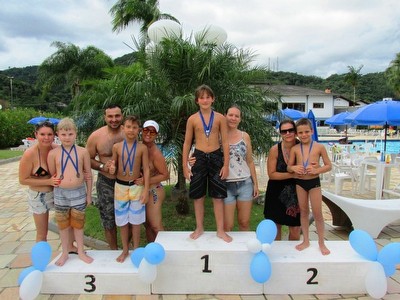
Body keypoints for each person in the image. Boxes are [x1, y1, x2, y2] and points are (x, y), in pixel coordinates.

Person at [182, 84, 232, 242]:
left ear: (213, 99)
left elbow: (225, 142)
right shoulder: (192, 119)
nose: (205, 100)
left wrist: (225, 164)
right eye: (201, 97)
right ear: (197, 100)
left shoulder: (219, 118)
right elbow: (187, 143)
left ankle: (220, 230)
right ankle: (199, 227)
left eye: (207, 97)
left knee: (218, 197)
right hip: (199, 158)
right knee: (198, 196)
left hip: (217, 157)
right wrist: (185, 165)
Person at [19, 121, 77, 253]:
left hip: (58, 193)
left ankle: (70, 247)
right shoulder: (30, 154)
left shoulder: (57, 149)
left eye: (49, 134)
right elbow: (23, 179)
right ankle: (41, 258)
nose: (46, 138)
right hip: (39, 196)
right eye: (42, 134)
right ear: (36, 135)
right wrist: (48, 181)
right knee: (42, 233)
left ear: (54, 135)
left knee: (68, 224)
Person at [47, 118, 93, 266]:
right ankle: (65, 252)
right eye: (64, 134)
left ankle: (80, 251)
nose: (67, 138)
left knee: (78, 224)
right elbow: (53, 174)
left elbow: (88, 174)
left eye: (70, 134)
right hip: (60, 193)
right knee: (63, 225)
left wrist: (88, 194)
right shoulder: (53, 154)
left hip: (79, 192)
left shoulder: (83, 151)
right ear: (58, 135)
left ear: (76, 134)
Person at [287, 118, 332, 255]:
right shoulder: (295, 149)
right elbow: (289, 167)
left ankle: (321, 243)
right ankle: (306, 240)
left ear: (312, 131)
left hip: (314, 183)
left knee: (317, 213)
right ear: (297, 134)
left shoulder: (319, 147)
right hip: (300, 183)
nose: (304, 135)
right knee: (304, 211)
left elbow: (328, 165)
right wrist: (294, 167)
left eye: (306, 131)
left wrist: (317, 170)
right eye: (300, 132)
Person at [109, 115, 150, 262]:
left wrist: (145, 189)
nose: (131, 130)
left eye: (134, 127)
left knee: (136, 220)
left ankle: (136, 249)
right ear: (122, 128)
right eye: (128, 127)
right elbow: (113, 166)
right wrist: (112, 168)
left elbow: (146, 169)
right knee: (122, 221)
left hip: (136, 187)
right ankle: (125, 249)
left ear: (138, 130)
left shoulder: (142, 148)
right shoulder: (117, 147)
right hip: (120, 187)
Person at [86, 104, 124, 250]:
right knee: (108, 219)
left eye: (117, 116)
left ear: (122, 116)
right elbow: (88, 159)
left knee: (129, 217)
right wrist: (102, 166)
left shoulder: (129, 133)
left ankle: (128, 248)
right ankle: (113, 250)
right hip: (106, 182)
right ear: (105, 117)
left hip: (127, 182)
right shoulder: (96, 137)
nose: (114, 119)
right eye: (110, 116)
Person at [223, 105, 259, 231]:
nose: (233, 118)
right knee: (227, 225)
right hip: (225, 185)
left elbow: (249, 161)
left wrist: (255, 184)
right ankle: (228, 250)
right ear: (225, 116)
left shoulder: (245, 136)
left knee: (244, 222)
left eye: (236, 116)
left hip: (245, 183)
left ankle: (244, 250)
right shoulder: (217, 136)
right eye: (230, 115)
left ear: (240, 119)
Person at [264, 119, 301, 240]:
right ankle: (277, 256)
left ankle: (292, 257)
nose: (288, 133)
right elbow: (272, 174)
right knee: (275, 228)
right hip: (276, 191)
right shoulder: (275, 149)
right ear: (280, 133)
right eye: (284, 131)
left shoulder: (303, 148)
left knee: (295, 229)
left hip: (296, 192)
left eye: (290, 130)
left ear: (295, 131)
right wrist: (292, 175)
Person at [135, 120, 169, 242]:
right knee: (147, 225)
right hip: (141, 190)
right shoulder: (137, 146)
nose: (148, 134)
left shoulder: (156, 153)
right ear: (141, 131)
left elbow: (165, 175)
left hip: (154, 190)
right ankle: (152, 250)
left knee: (155, 225)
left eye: (152, 131)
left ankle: (166, 250)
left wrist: (146, 181)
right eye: (146, 130)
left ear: (156, 134)